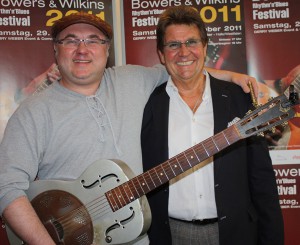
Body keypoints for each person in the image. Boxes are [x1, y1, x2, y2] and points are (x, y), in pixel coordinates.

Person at [0, 12, 257, 245]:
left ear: (106, 49)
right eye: (70, 40)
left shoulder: (132, 80)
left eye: (93, 40)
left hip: (137, 238)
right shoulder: (33, 112)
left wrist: (234, 77)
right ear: (56, 50)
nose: (82, 49)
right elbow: (7, 187)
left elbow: (182, 66)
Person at [141, 6, 284, 245]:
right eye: (173, 45)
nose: (183, 52)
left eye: (191, 42)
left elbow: (262, 180)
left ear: (205, 48)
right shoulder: (147, 105)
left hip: (235, 232)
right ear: (161, 54)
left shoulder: (239, 99)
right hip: (170, 235)